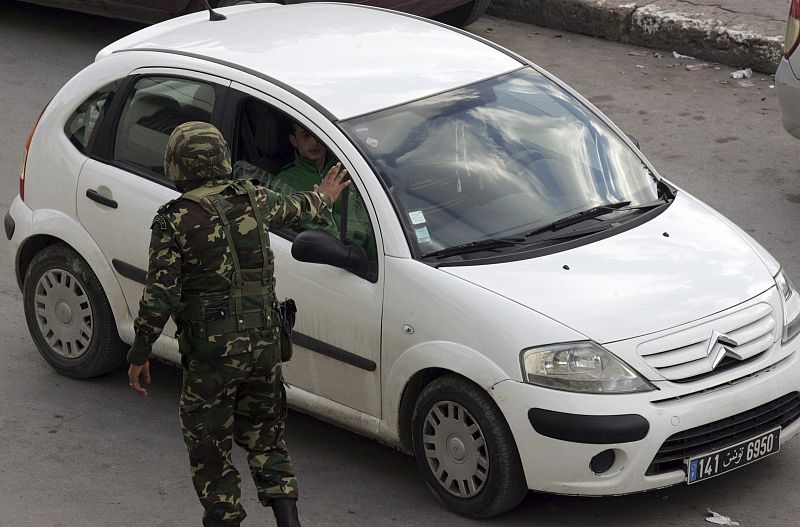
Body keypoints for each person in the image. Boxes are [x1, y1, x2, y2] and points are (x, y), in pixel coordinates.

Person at [126, 121, 350, 527]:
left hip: (212, 356)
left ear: (177, 165)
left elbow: (159, 296)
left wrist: (140, 353)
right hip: (264, 346)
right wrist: (324, 197)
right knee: (267, 438)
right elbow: (298, 207)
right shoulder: (252, 197)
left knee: (210, 450)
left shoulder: (174, 220)